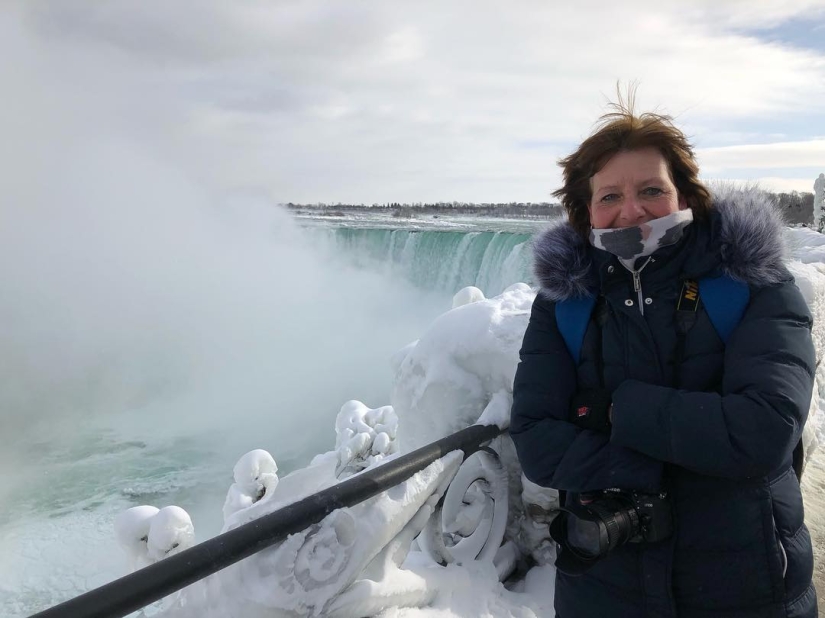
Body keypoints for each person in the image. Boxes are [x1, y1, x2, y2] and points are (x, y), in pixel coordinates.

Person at [510, 99, 817, 617]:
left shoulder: (752, 281)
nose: (632, 211)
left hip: (745, 579)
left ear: (686, 195)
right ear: (587, 213)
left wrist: (614, 411)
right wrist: (678, 460)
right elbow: (536, 438)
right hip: (603, 583)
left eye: (651, 190)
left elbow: (763, 429)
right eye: (610, 196)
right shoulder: (566, 300)